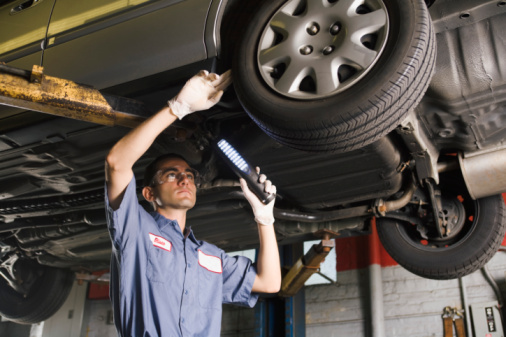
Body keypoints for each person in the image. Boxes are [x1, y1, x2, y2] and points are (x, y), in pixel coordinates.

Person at [104, 70, 281, 337]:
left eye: (189, 175)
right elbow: (117, 163)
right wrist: (178, 108)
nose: (184, 180)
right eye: (171, 175)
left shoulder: (209, 257)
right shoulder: (136, 230)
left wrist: (265, 218)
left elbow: (269, 283)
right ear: (149, 194)